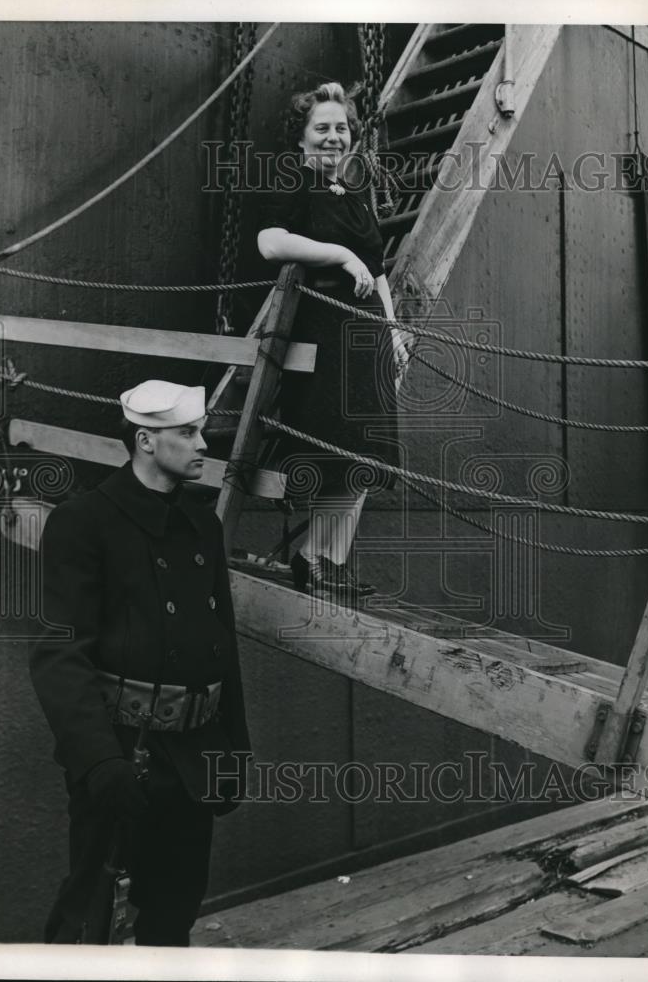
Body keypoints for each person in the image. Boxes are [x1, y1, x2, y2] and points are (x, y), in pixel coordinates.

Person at [29, 380, 250, 946]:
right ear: (146, 440)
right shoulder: (84, 523)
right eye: (189, 433)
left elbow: (222, 647)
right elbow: (59, 654)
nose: (203, 444)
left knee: (173, 914)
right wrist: (100, 763)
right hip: (124, 755)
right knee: (89, 916)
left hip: (195, 754)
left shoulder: (203, 524)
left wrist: (235, 751)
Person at [257, 81, 410, 600]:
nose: (332, 137)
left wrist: (392, 331)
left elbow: (379, 268)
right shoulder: (295, 182)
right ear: (302, 140)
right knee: (339, 450)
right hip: (326, 329)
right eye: (320, 128)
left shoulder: (358, 190)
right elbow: (270, 241)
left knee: (363, 452)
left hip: (366, 331)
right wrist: (339, 256)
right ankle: (314, 560)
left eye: (340, 128)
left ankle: (328, 561)